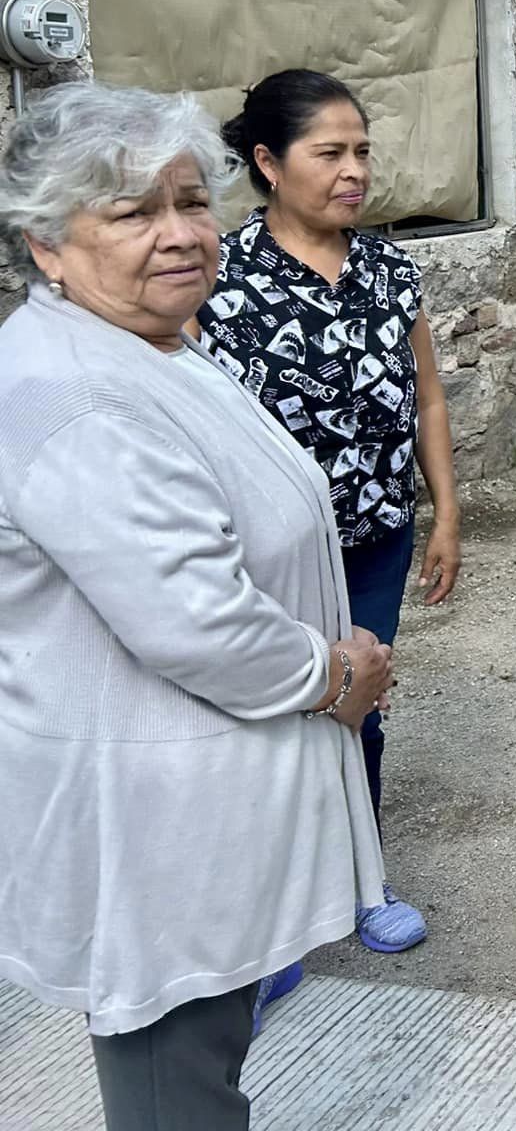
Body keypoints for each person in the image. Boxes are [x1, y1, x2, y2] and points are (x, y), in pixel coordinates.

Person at [0, 83, 391, 1130]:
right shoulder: (71, 396)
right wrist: (339, 675)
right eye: (131, 213)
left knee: (203, 1064)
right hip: (152, 813)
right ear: (47, 242)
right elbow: (196, 620)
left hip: (194, 792)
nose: (180, 235)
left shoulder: (153, 345)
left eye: (189, 202)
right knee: (180, 1088)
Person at [196, 69, 460, 955]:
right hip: (261, 550)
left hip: (375, 536)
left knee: (361, 704)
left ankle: (359, 878)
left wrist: (445, 513)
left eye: (362, 152)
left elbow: (425, 395)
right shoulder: (221, 277)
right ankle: (268, 916)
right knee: (268, 716)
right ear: (269, 162)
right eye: (331, 153)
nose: (354, 171)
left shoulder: (390, 269)